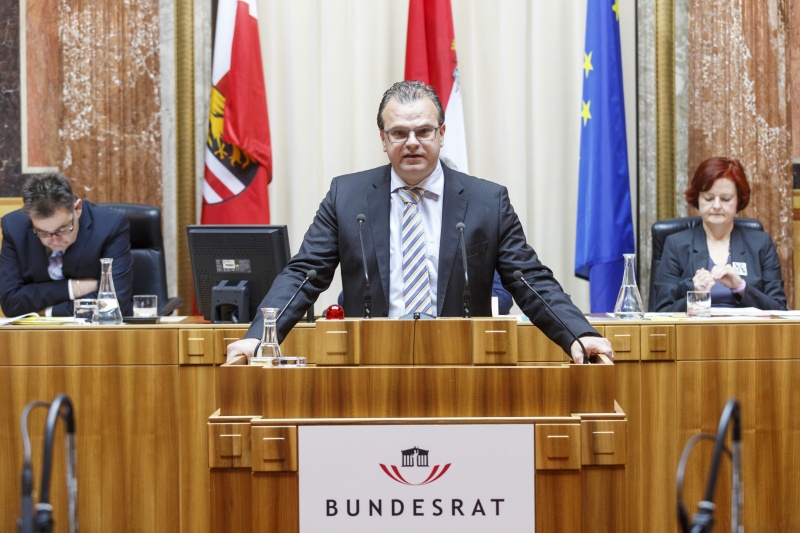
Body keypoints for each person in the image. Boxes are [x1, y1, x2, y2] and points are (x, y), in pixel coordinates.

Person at [227, 80, 612, 363]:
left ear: (441, 134)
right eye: (399, 132)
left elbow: (530, 280)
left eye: (423, 131)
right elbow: (304, 274)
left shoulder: (486, 201)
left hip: (462, 365)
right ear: (383, 138)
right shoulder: (347, 196)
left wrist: (578, 334)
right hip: (370, 364)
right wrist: (258, 336)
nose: (412, 142)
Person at [652, 157, 787, 311]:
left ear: (738, 201)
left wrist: (740, 287)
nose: (716, 206)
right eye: (708, 198)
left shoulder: (760, 244)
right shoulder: (676, 245)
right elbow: (661, 313)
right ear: (698, 199)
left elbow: (779, 310)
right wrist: (697, 297)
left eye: (725, 199)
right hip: (694, 334)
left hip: (747, 334)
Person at [0, 172, 134, 317]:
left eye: (62, 229)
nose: (55, 240)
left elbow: (114, 302)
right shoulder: (14, 227)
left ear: (77, 209)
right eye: (43, 232)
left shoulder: (110, 226)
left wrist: (49, 312)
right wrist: (73, 288)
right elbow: (10, 303)